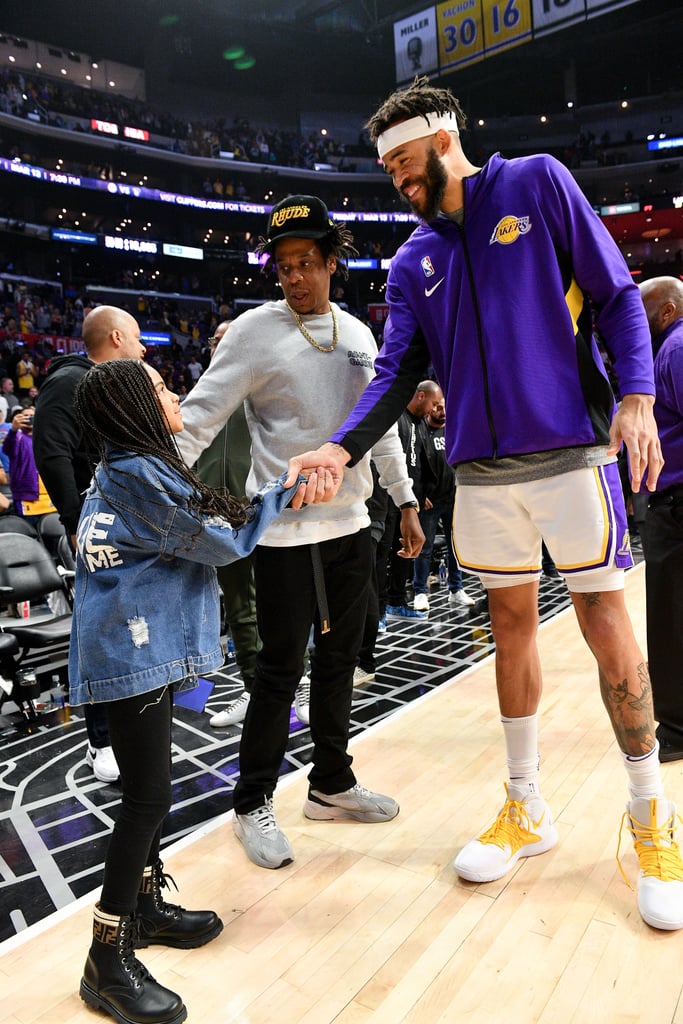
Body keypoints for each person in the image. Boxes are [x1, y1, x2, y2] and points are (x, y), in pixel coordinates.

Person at [285, 78, 683, 931]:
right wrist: (337, 446)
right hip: (481, 475)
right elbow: (393, 375)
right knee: (508, 627)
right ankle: (525, 805)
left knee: (605, 622)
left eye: (404, 160)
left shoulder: (536, 183)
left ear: (444, 138)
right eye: (386, 167)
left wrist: (637, 395)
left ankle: (651, 817)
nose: (397, 178)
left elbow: (615, 296)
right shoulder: (411, 259)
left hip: (572, 452)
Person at [176, 194, 422, 871]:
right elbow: (199, 416)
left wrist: (404, 501)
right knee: (279, 672)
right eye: (283, 266)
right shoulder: (255, 332)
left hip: (350, 527)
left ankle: (330, 783)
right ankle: (250, 801)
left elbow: (378, 432)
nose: (294, 277)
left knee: (340, 663)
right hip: (283, 534)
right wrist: (159, 487)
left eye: (306, 263)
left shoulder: (359, 336)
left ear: (332, 262)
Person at [69, 358, 302, 1024]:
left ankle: (145, 907)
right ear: (135, 410)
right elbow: (224, 542)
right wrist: (280, 495)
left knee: (152, 790)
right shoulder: (140, 472)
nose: (175, 394)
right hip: (130, 649)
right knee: (146, 798)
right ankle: (105, 958)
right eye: (163, 389)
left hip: (139, 644)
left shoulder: (132, 465)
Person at [33, 305, 147, 784]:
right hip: (91, 526)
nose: (144, 349)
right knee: (101, 634)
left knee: (133, 630)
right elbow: (51, 451)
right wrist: (76, 521)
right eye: (138, 338)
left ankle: (131, 728)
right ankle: (99, 739)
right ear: (117, 338)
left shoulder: (115, 388)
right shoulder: (70, 383)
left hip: (122, 524)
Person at [638, 276, 683, 763]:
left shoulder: (674, 348)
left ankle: (676, 727)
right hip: (672, 499)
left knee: (669, 618)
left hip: (677, 501)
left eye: (643, 310)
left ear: (667, 310)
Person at [412, 394, 475, 612]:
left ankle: (456, 589)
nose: (442, 411)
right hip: (430, 500)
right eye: (437, 407)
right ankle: (420, 591)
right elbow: (415, 464)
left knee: (455, 547)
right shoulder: (421, 431)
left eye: (444, 407)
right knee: (425, 548)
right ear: (430, 408)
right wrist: (419, 495)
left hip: (453, 497)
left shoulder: (453, 430)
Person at [385, 379, 441, 619]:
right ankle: (379, 612)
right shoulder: (395, 418)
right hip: (390, 500)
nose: (435, 409)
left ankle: (397, 602)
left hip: (412, 502)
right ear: (420, 395)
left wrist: (423, 493)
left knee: (405, 554)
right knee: (383, 556)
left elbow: (422, 462)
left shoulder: (419, 424)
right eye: (434, 403)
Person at [2, 404, 57, 526]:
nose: (29, 418)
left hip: (50, 497)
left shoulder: (46, 437)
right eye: (25, 416)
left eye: (32, 416)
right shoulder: (17, 437)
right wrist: (13, 429)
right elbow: (7, 449)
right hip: (27, 498)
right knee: (30, 535)